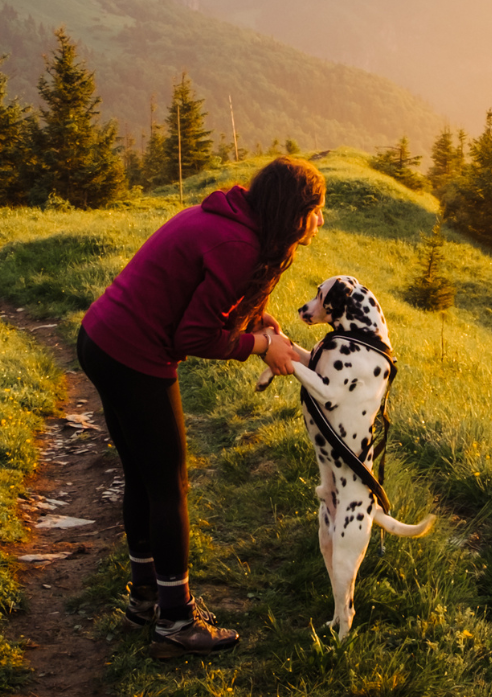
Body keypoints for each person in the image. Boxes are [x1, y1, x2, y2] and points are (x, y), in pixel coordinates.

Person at [76, 156, 326, 659]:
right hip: (132, 354)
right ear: (293, 211)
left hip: (100, 338)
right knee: (171, 485)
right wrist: (260, 347)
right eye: (317, 210)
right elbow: (193, 334)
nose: (321, 220)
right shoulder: (239, 244)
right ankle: (176, 621)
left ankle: (146, 598)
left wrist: (263, 324)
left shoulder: (236, 222)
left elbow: (220, 300)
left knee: (143, 477)